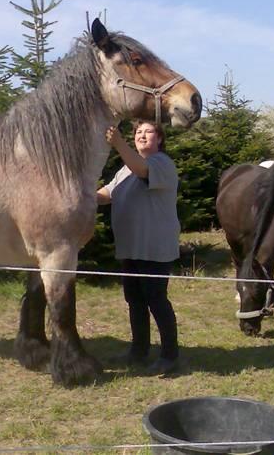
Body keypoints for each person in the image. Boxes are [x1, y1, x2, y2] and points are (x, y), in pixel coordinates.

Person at [96, 120, 180, 376]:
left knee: (156, 301)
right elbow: (106, 194)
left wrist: (118, 142)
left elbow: (143, 171)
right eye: (138, 132)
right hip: (131, 248)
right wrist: (77, 196)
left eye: (149, 132)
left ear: (160, 139)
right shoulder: (125, 169)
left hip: (154, 248)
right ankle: (139, 350)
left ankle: (169, 356)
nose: (142, 136)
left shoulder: (161, 163)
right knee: (134, 300)